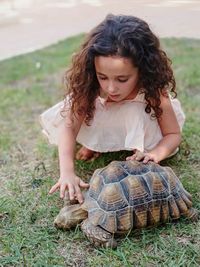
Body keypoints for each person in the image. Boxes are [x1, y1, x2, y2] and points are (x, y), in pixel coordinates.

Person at [39, 14, 185, 204]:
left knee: (135, 112)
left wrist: (155, 154)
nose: (111, 88)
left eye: (122, 79)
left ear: (142, 69)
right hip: (101, 116)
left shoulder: (153, 91)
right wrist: (67, 173)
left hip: (142, 120)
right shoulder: (90, 85)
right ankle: (95, 143)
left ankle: (135, 146)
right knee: (85, 108)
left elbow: (173, 134)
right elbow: (69, 127)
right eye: (103, 77)